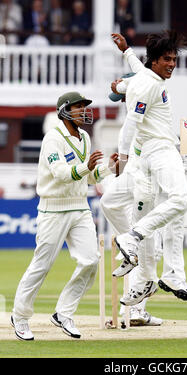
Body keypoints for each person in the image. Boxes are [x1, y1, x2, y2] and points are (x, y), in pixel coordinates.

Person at [11, 91, 116, 341]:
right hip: (52, 208)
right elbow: (60, 173)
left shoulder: (85, 138)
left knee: (91, 260)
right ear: (65, 110)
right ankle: (21, 316)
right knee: (42, 265)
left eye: (84, 107)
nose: (84, 111)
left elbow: (88, 177)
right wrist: (86, 167)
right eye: (79, 107)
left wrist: (108, 168)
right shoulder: (53, 139)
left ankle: (64, 313)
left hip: (79, 207)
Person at [110, 32, 187, 306]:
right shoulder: (148, 86)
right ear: (154, 61)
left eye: (174, 59)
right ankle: (132, 238)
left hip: (148, 156)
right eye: (167, 59)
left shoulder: (148, 77)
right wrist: (121, 159)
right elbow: (130, 124)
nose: (172, 64)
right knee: (181, 200)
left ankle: (154, 278)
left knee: (161, 211)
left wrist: (126, 52)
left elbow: (138, 71)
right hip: (159, 151)